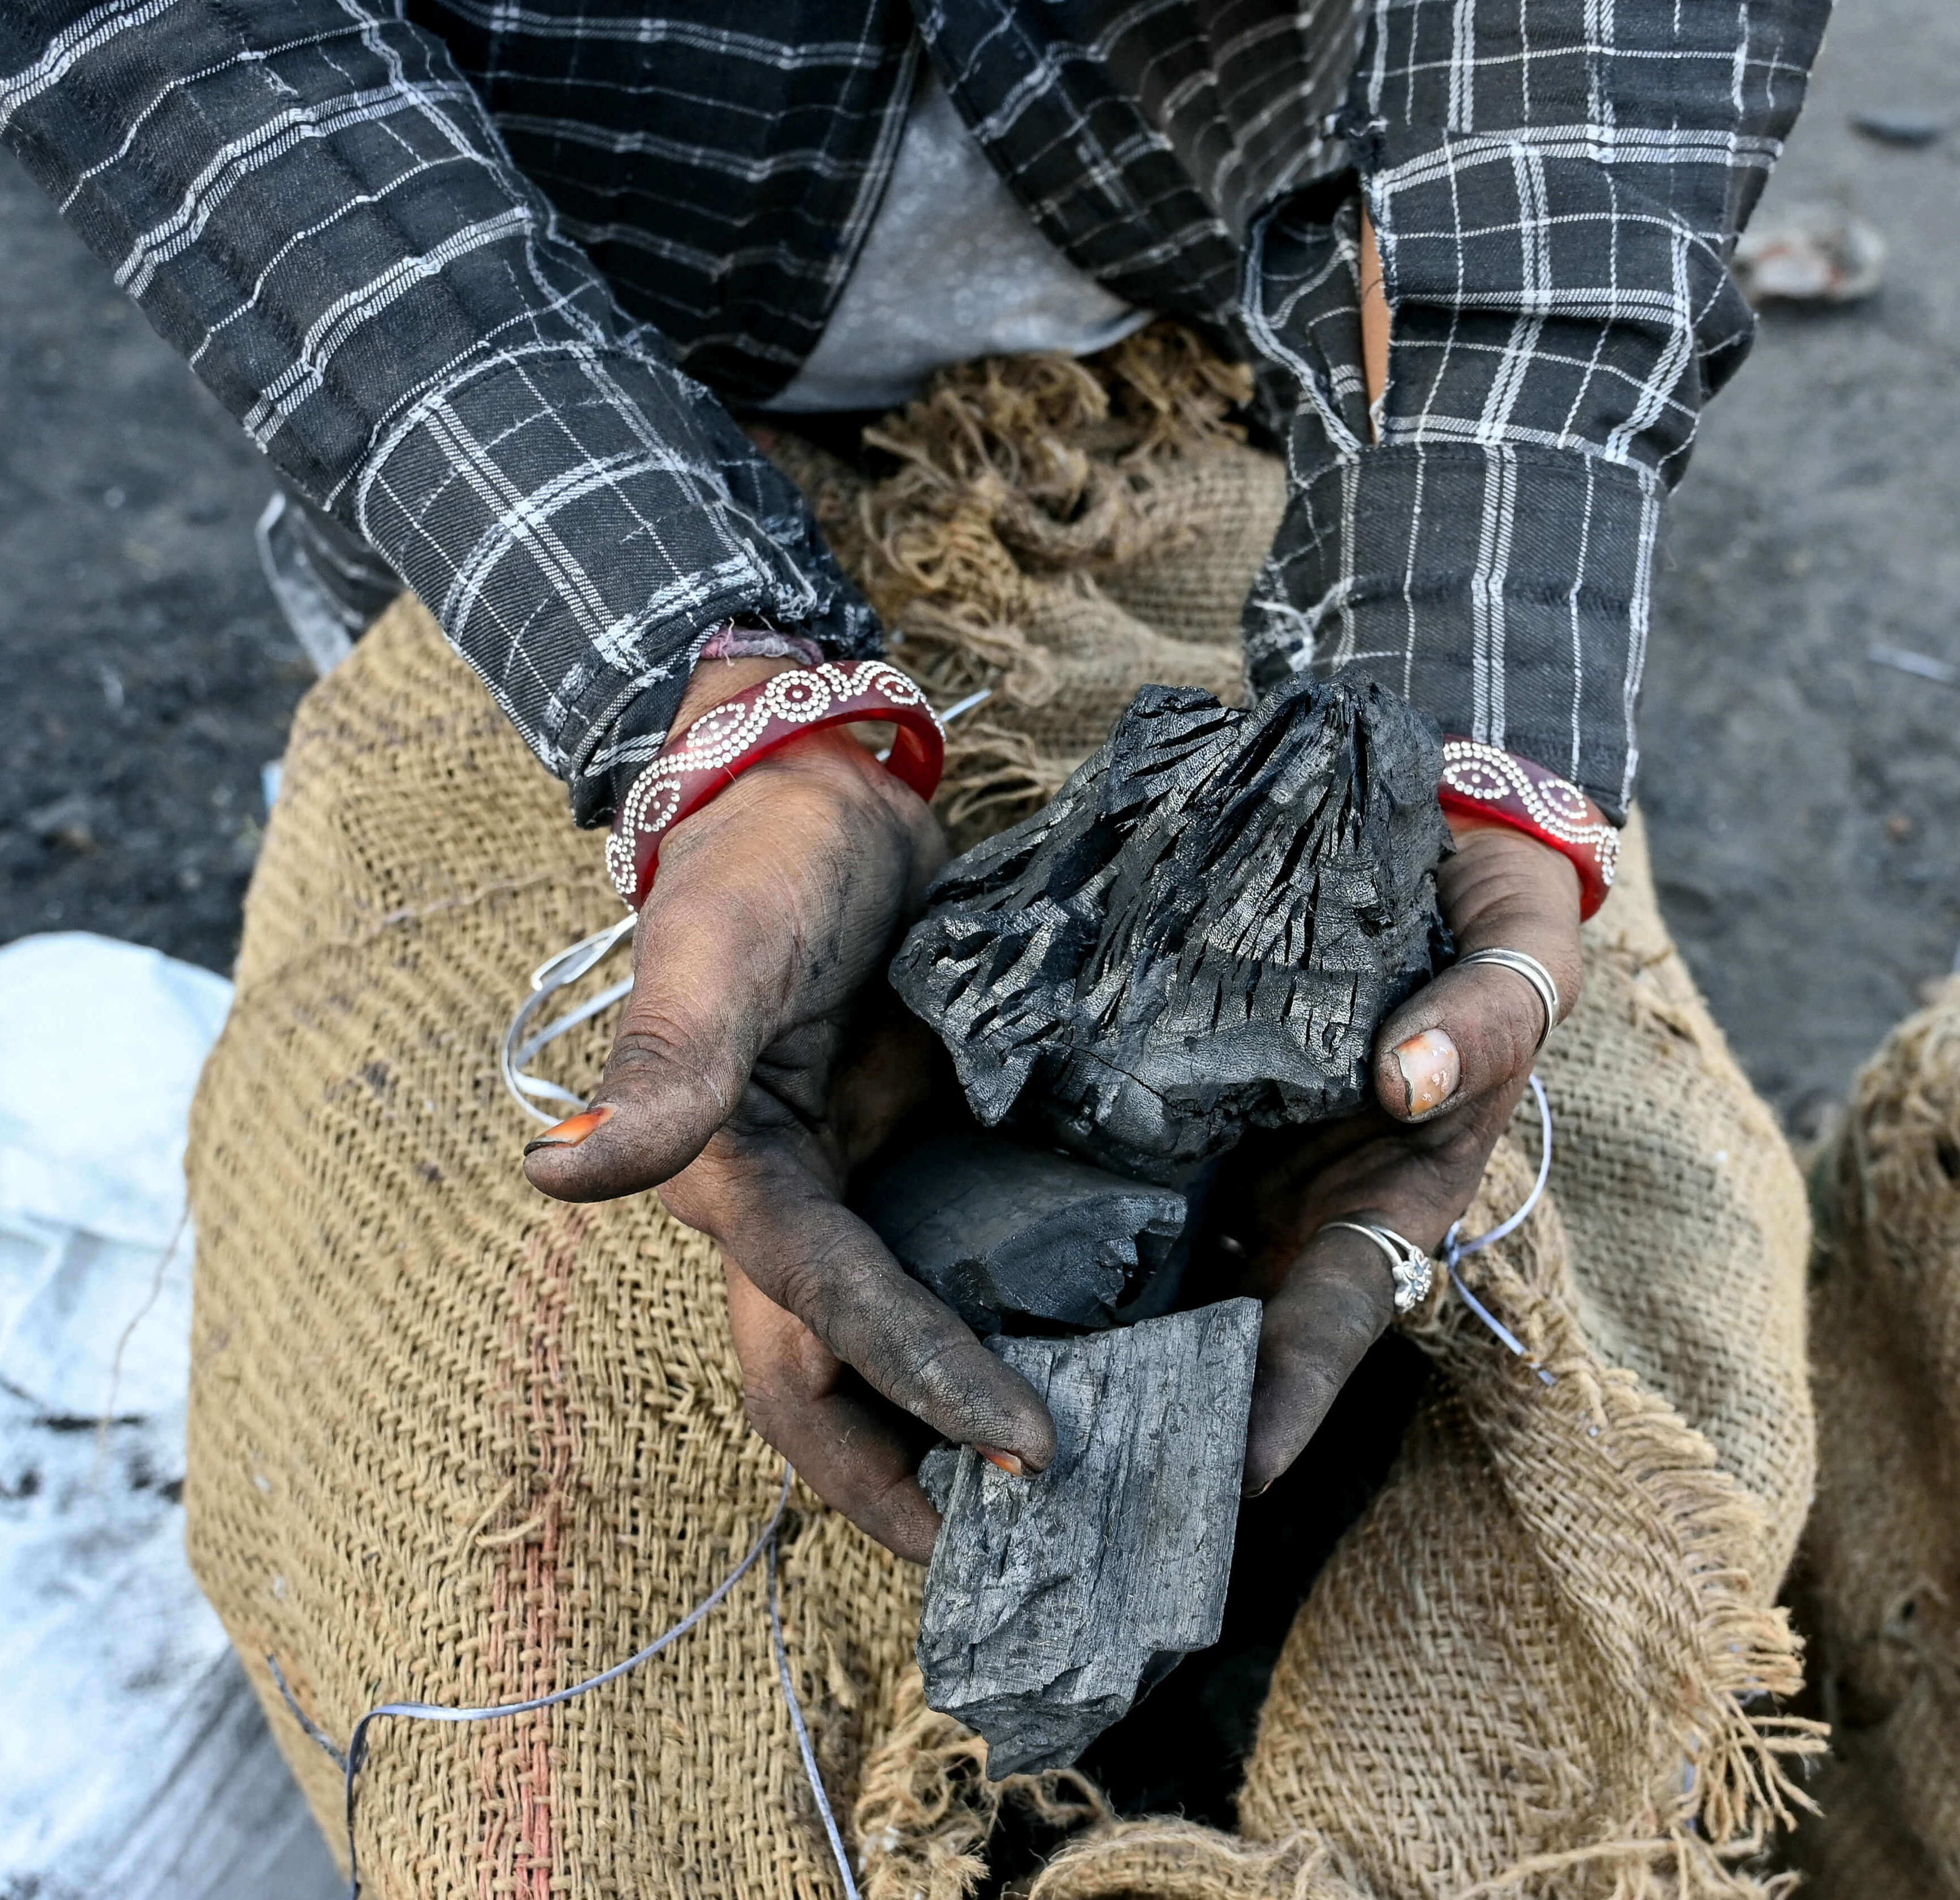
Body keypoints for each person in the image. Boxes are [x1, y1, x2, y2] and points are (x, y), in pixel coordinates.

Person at [1, 0, 1826, 1565]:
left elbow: (1592, 52)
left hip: (1228, 315)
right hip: (546, 358)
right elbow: (187, 53)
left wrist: (1463, 692)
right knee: (454, 1357)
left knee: (1650, 1328)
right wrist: (714, 719)